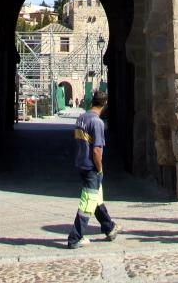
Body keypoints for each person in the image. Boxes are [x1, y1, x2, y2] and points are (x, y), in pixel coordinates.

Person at [66, 90, 118, 248]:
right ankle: (75, 237)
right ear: (105, 104)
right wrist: (100, 168)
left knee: (96, 198)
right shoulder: (97, 122)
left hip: (81, 162)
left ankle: (109, 227)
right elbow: (97, 150)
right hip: (91, 167)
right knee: (88, 202)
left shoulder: (81, 118)